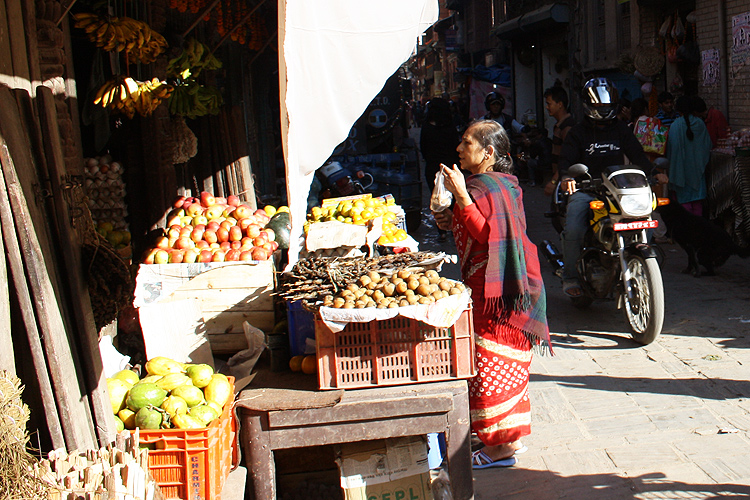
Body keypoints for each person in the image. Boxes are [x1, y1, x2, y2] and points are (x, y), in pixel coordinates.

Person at [432, 119, 551, 469]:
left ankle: (501, 448)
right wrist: (449, 214)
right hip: (489, 286)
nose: (459, 149)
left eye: (466, 143)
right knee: (496, 365)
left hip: (503, 291)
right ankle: (506, 437)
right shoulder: (482, 185)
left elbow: (488, 236)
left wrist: (463, 196)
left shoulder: (494, 186)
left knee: (491, 366)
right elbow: (472, 226)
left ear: (488, 152)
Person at [558, 78, 668, 298]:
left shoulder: (620, 129)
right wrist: (567, 177)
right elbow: (566, 162)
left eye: (607, 106)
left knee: (643, 218)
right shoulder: (577, 133)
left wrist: (654, 172)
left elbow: (637, 154)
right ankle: (570, 275)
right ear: (588, 106)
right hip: (587, 191)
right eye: (599, 107)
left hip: (618, 191)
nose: (604, 110)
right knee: (574, 227)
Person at [420, 97, 460, 241]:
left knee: (437, 199)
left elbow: (423, 148)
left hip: (433, 167)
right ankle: (456, 228)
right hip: (450, 166)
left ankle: (442, 231)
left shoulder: (426, 127)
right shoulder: (451, 127)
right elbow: (456, 146)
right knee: (455, 198)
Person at [666, 95, 712, 217]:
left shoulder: (675, 126)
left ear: (678, 110)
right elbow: (708, 146)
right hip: (697, 173)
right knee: (697, 204)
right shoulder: (700, 124)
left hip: (680, 173)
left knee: (684, 205)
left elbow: (671, 151)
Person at [543, 85, 575, 196]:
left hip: (564, 182)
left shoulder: (567, 128)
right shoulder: (559, 126)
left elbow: (567, 157)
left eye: (549, 103)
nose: (547, 107)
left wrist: (554, 181)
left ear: (560, 104)